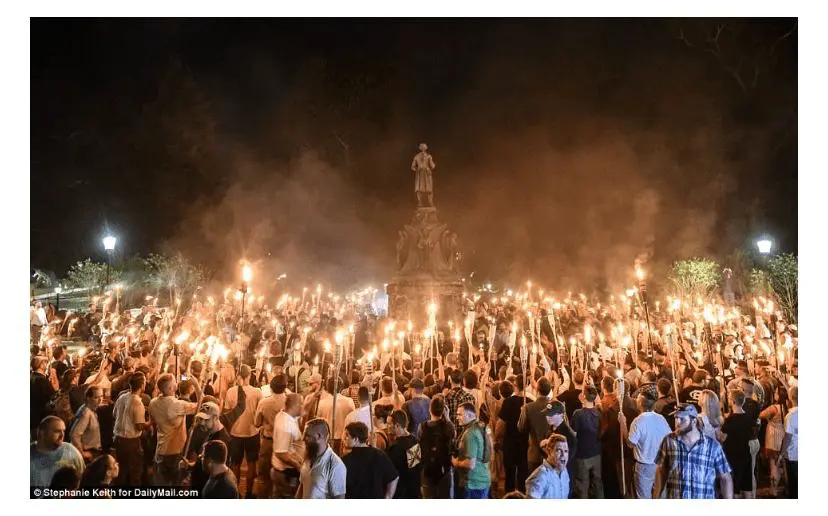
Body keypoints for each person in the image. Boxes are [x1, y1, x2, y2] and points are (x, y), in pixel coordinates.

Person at [653, 404, 733, 499]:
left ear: (694, 421)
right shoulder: (669, 441)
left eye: (682, 419)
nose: (677, 422)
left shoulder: (712, 446)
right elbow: (661, 471)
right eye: (676, 418)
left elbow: (725, 477)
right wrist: (656, 497)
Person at [148, 372, 201, 486]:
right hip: (175, 452)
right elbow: (201, 405)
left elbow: (152, 422)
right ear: (170, 388)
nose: (177, 383)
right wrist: (196, 385)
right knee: (175, 485)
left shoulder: (152, 403)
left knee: (162, 486)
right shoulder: (176, 404)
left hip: (160, 450)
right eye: (174, 382)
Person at [618, 389, 671, 498]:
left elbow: (630, 444)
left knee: (644, 497)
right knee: (661, 496)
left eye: (637, 399)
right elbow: (669, 437)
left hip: (644, 466)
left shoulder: (638, 421)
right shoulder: (661, 418)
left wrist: (623, 424)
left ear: (640, 403)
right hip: (660, 464)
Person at [224, 364, 263, 498]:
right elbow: (260, 411)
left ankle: (236, 492)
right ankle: (249, 493)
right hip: (252, 432)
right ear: (249, 375)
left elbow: (227, 411)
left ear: (238, 376)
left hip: (235, 432)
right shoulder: (257, 392)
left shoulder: (230, 391)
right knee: (252, 464)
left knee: (235, 464)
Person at [341, 422, 399, 498]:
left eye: (347, 435)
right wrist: (387, 497)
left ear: (356, 439)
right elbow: (394, 478)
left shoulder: (345, 460)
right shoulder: (380, 455)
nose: (344, 438)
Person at [252, 374, 288, 497]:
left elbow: (256, 423)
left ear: (271, 387)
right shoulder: (289, 402)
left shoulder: (264, 402)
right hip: (284, 443)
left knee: (263, 476)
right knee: (281, 476)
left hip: (268, 442)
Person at [112, 372, 150, 486]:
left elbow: (114, 414)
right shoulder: (137, 402)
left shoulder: (122, 397)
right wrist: (150, 422)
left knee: (121, 472)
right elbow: (139, 426)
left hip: (118, 439)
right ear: (142, 385)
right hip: (131, 443)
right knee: (135, 473)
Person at [297, 418, 346, 499]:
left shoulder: (335, 465)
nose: (303, 438)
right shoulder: (308, 458)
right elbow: (302, 485)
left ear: (318, 436)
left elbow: (339, 498)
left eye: (307, 435)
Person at [31, 416, 85, 489]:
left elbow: (83, 478)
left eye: (63, 431)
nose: (62, 435)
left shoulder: (70, 451)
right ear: (42, 433)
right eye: (57, 431)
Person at [452, 402, 492, 499]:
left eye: (460, 414)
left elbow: (470, 464)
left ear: (469, 415)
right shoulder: (482, 427)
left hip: (473, 483)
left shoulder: (470, 434)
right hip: (483, 479)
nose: (457, 417)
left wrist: (455, 462)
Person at [496, 379, 529, 494]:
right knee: (523, 474)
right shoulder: (530, 401)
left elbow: (501, 425)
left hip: (510, 443)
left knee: (509, 473)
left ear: (515, 386)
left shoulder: (508, 402)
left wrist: (497, 438)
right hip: (525, 444)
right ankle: (522, 495)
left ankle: (509, 495)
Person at [419, 395, 455, 499]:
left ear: (430, 409)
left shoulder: (422, 427)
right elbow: (453, 437)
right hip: (445, 469)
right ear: (443, 410)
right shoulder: (449, 426)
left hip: (427, 469)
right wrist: (447, 418)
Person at [720, 390, 754, 498]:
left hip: (733, 456)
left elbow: (722, 438)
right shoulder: (748, 417)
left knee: (734, 486)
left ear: (733, 401)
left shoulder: (730, 420)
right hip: (745, 454)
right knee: (747, 485)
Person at [570, 385, 603, 499]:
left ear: (583, 396)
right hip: (596, 453)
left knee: (582, 485)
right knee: (598, 483)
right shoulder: (599, 413)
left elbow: (573, 435)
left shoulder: (578, 414)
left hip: (582, 455)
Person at [271, 393, 304, 499]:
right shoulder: (285, 425)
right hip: (285, 473)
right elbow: (281, 453)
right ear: (295, 405)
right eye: (301, 404)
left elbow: (302, 414)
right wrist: (299, 466)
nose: (303, 406)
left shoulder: (285, 415)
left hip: (287, 471)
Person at [518, 377, 553, 475]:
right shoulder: (556, 407)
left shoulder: (528, 407)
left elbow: (521, 428)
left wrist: (522, 413)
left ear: (537, 390)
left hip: (534, 454)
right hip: (551, 453)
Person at [386, 409, 423, 498]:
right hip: (415, 488)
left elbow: (389, 472)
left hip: (402, 492)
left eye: (389, 424)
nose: (387, 426)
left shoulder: (397, 448)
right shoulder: (415, 441)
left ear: (397, 426)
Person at [759, 385, 788, 495]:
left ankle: (773, 489)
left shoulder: (774, 408)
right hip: (783, 438)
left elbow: (761, 415)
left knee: (773, 464)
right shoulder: (787, 407)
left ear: (779, 395)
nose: (774, 394)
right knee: (783, 465)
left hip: (773, 439)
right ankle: (788, 487)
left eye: (776, 392)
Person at [525, 434, 570, 499]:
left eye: (566, 451)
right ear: (549, 452)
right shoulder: (539, 477)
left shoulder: (564, 472)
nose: (563, 455)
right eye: (559, 450)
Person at [70, 385, 104, 463]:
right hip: (89, 452)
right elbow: (74, 434)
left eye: (101, 396)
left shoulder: (91, 408)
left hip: (94, 451)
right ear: (88, 398)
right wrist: (82, 453)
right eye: (96, 397)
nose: (100, 400)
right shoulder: (86, 412)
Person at [780, 385, 797, 499]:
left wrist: (781, 454)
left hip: (793, 454)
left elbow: (788, 437)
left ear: (790, 398)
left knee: (794, 485)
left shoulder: (790, 416)